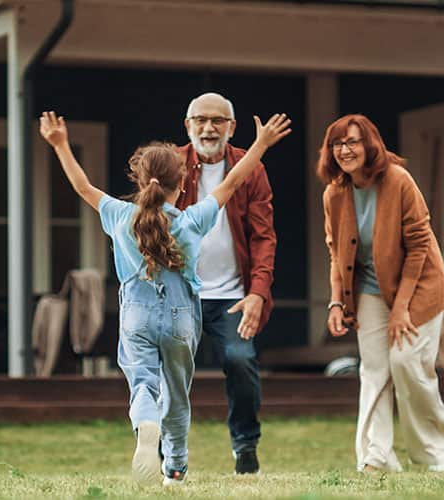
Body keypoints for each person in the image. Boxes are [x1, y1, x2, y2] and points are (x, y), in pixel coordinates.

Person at [40, 110, 290, 485]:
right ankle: (175, 468)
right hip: (180, 319)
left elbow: (82, 186)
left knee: (143, 382)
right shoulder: (191, 221)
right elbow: (235, 180)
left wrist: (60, 144)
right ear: (184, 180)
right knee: (176, 394)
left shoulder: (120, 215)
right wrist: (261, 144)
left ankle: (145, 423)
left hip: (136, 314)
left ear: (140, 179)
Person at [317, 114, 444, 473]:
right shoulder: (334, 193)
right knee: (375, 369)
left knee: (407, 362)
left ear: (370, 144)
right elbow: (337, 252)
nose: (345, 150)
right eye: (338, 144)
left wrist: (402, 309)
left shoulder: (398, 180)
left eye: (352, 142)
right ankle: (377, 455)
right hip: (370, 290)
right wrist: (336, 301)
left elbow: (419, 245)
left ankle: (432, 454)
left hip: (421, 285)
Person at [172, 93, 277, 474]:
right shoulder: (172, 164)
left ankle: (245, 446)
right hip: (181, 294)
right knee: (171, 370)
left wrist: (257, 293)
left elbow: (264, 237)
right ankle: (168, 454)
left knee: (240, 360)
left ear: (231, 127)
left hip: (233, 294)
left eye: (217, 120)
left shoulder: (250, 168)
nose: (208, 127)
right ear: (188, 125)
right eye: (200, 119)